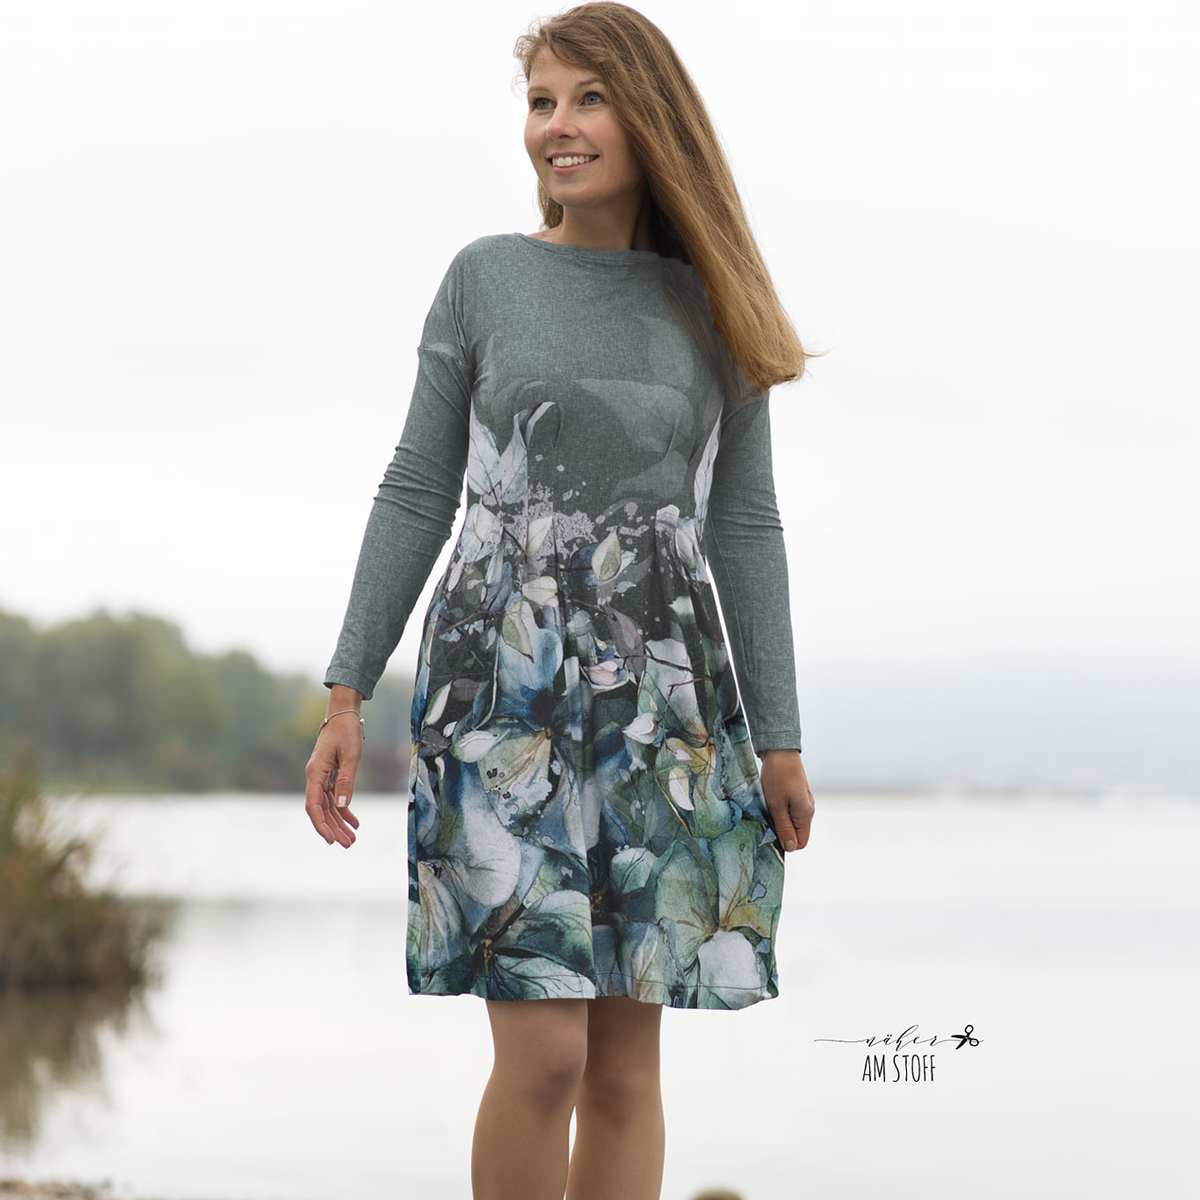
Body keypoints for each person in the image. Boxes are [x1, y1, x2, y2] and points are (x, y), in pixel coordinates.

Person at [304, 4, 815, 1198]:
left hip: (661, 703)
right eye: (542, 102)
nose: (558, 126)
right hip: (502, 684)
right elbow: (417, 485)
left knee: (626, 1073)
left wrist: (780, 737)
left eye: (589, 99)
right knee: (545, 1054)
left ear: (653, 120)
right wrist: (346, 690)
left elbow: (746, 524)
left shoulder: (716, 301)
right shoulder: (484, 279)